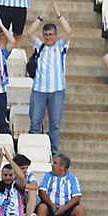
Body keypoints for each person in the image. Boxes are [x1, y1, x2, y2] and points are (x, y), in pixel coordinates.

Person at [28, 9, 71, 151]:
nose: (48, 37)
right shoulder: (39, 45)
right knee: (35, 122)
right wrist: (42, 16)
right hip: (39, 89)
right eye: (45, 35)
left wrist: (58, 14)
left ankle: (53, 151)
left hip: (57, 90)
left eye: (51, 34)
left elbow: (69, 31)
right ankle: (33, 149)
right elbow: (30, 33)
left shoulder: (60, 46)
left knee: (55, 124)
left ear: (55, 35)